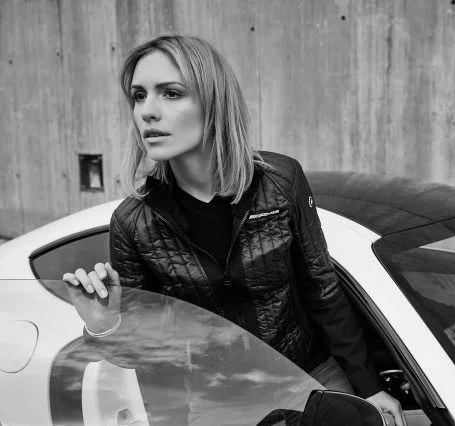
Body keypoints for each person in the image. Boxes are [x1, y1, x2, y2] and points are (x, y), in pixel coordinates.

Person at [62, 34, 405, 425]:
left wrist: (367, 385)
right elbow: (148, 354)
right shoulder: (133, 222)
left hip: (310, 377)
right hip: (219, 402)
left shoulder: (280, 181)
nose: (147, 112)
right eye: (139, 96)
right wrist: (104, 326)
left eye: (171, 93)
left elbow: (321, 288)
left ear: (214, 102)